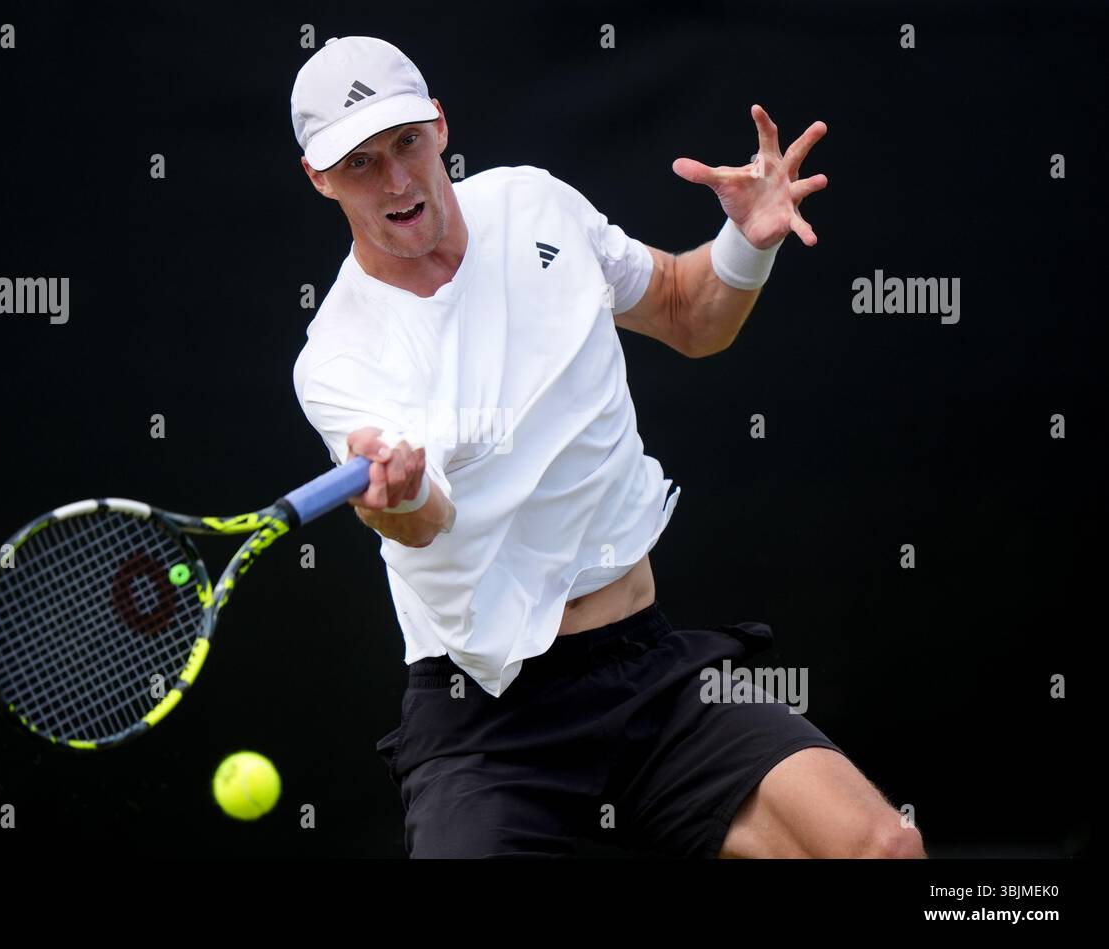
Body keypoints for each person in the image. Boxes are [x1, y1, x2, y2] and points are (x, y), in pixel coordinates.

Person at [290, 35, 924, 858]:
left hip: (648, 669)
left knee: (879, 848)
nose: (398, 181)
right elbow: (425, 517)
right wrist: (401, 496)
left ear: (440, 125)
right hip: (490, 723)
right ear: (321, 178)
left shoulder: (535, 206)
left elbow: (684, 311)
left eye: (406, 141)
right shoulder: (339, 355)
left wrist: (746, 242)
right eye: (361, 163)